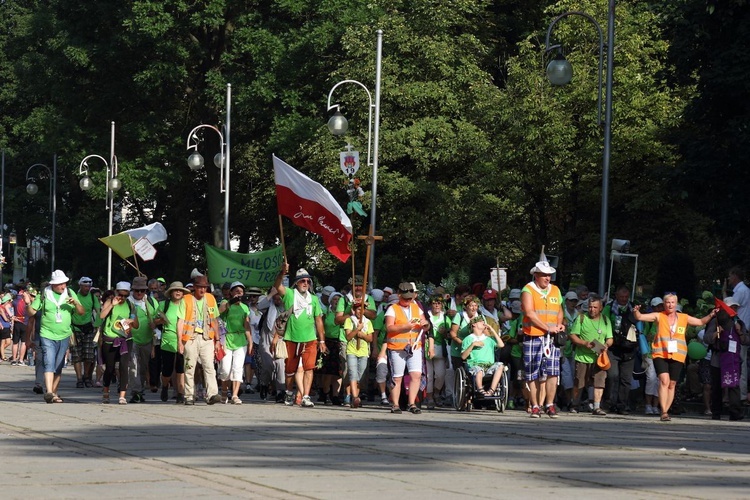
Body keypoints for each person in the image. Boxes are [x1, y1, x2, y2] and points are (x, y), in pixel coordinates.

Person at [633, 292, 716, 421]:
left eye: (672, 302)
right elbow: (640, 317)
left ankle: (666, 409)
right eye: (667, 302)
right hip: (660, 352)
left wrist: (711, 315)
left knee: (672, 383)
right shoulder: (659, 316)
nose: (670, 305)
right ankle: (664, 411)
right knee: (664, 380)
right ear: (664, 304)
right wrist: (636, 312)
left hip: (677, 354)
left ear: (676, 304)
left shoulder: (683, 317)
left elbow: (700, 321)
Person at [272, 264, 327, 408]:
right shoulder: (290, 294)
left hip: (310, 338)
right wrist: (282, 272)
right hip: (292, 337)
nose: (306, 284)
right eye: (303, 281)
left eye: (308, 281)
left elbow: (318, 320)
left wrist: (321, 340)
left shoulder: (314, 299)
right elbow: (277, 285)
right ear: (297, 282)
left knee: (309, 368)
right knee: (290, 370)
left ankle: (306, 396)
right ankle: (289, 392)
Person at [27, 271, 86, 403]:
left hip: (64, 334)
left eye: (65, 283)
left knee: (58, 365)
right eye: (60, 284)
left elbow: (82, 312)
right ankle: (48, 392)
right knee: (49, 362)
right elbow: (31, 312)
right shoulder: (44, 294)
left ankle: (54, 393)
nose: (63, 286)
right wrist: (28, 305)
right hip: (47, 334)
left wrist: (75, 303)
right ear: (53, 284)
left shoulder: (70, 293)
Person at [521, 260, 564, 418]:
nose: (548, 278)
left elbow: (560, 310)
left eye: (549, 275)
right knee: (532, 372)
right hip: (533, 335)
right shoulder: (528, 290)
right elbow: (530, 313)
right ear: (536, 275)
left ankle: (550, 404)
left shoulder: (556, 290)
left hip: (552, 337)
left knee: (553, 371)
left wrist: (559, 325)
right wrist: (547, 327)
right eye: (544, 275)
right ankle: (535, 406)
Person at [382, 282, 431, 414]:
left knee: (416, 375)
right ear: (399, 295)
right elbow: (389, 327)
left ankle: (412, 403)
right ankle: (396, 404)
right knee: (397, 377)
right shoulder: (393, 308)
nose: (408, 301)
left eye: (410, 298)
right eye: (406, 298)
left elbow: (425, 323)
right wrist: (405, 326)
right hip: (397, 347)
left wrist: (425, 324)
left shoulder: (416, 308)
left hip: (414, 346)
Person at [178, 274, 222, 406]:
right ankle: (189, 395)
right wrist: (180, 341)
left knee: (209, 367)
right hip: (190, 338)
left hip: (206, 337)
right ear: (194, 288)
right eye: (200, 287)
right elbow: (180, 321)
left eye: (205, 287)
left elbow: (214, 320)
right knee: (190, 367)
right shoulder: (186, 299)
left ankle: (212, 395)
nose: (203, 290)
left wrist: (218, 340)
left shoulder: (210, 298)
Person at [704, 300, 750, 420]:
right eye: (732, 307)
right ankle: (716, 412)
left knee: (734, 386)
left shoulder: (739, 322)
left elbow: (746, 341)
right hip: (718, 358)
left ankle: (735, 412)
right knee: (717, 386)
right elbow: (707, 338)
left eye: (736, 308)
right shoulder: (716, 321)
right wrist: (716, 334)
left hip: (734, 359)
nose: (734, 310)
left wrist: (739, 332)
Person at [569, 294, 613, 415]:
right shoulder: (581, 318)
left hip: (599, 357)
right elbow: (572, 335)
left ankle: (597, 406)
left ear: (600, 308)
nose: (592, 310)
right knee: (579, 382)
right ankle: (575, 404)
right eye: (590, 307)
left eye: (595, 307)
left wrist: (606, 345)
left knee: (599, 382)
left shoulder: (605, 320)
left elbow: (610, 338)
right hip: (583, 356)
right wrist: (584, 343)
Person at [99, 281, 139, 404]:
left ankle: (122, 395)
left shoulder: (130, 305)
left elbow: (137, 325)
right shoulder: (110, 301)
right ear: (116, 292)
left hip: (125, 339)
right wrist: (112, 304)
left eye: (126, 295)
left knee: (123, 367)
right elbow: (102, 316)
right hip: (110, 339)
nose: (122, 298)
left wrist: (131, 320)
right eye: (120, 295)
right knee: (110, 368)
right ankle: (106, 391)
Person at [603, 285, 640, 415]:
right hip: (614, 347)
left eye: (626, 297)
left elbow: (641, 324)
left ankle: (622, 405)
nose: (624, 299)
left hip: (629, 348)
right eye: (621, 297)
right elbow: (604, 323)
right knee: (613, 376)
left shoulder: (633, 308)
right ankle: (609, 403)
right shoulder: (609, 308)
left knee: (626, 378)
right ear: (616, 296)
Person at [128, 276, 162, 403]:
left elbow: (160, 317)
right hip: (132, 339)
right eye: (137, 291)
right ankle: (136, 391)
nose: (139, 293)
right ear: (132, 290)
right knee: (133, 366)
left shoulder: (152, 302)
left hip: (147, 340)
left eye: (142, 291)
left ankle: (140, 390)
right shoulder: (127, 302)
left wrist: (156, 323)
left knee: (143, 368)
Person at [218, 281, 252, 404]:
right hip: (227, 339)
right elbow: (219, 311)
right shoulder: (225, 304)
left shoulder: (244, 307)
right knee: (226, 369)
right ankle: (224, 392)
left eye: (241, 291)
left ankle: (235, 395)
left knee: (238, 368)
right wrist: (231, 302)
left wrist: (250, 341)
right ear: (231, 292)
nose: (239, 293)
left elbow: (247, 325)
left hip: (240, 340)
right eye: (236, 291)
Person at [461, 316, 506, 397]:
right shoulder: (468, 339)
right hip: (475, 365)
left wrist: (492, 330)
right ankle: (480, 389)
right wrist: (473, 345)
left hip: (489, 366)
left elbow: (501, 345)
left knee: (500, 366)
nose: (483, 322)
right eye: (481, 321)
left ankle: (491, 390)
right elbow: (463, 357)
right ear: (474, 324)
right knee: (479, 370)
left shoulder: (489, 339)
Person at [724, 267, 750, 404]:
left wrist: (723, 294)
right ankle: (740, 393)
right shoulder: (745, 290)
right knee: (741, 362)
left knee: (737, 362)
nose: (728, 279)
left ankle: (738, 394)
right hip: (743, 330)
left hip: (738, 331)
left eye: (729, 276)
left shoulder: (740, 291)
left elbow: (729, 309)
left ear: (735, 276)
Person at [159, 281, 187, 403]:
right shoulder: (164, 305)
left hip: (184, 340)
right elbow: (154, 321)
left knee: (181, 368)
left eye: (180, 290)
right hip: (167, 340)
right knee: (167, 369)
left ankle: (180, 393)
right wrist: (161, 320)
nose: (178, 292)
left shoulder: (186, 305)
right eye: (175, 290)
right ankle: (165, 386)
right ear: (170, 293)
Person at [69, 277, 100, 387]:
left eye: (89, 286)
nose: (87, 288)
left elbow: (98, 311)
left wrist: (97, 325)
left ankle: (86, 376)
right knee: (76, 355)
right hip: (75, 328)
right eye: (85, 286)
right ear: (80, 286)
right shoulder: (74, 296)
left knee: (89, 355)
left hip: (88, 328)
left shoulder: (92, 297)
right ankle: (79, 378)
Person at [344, 301, 373, 409]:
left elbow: (370, 338)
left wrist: (363, 335)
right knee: (352, 373)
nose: (360, 312)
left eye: (362, 309)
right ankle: (355, 397)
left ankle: (357, 395)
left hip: (363, 351)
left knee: (360, 376)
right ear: (354, 310)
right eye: (358, 309)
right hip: (352, 350)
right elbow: (348, 337)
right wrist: (357, 330)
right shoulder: (349, 320)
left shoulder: (368, 322)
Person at [425, 295, 450, 409]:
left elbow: (450, 335)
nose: (436, 305)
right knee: (429, 375)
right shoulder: (426, 315)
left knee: (440, 375)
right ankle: (430, 398)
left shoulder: (445, 318)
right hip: (426, 348)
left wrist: (445, 332)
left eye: (439, 303)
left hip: (440, 348)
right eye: (434, 303)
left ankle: (436, 393)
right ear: (431, 304)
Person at [641, 297, 663, 415]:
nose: (659, 308)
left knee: (660, 380)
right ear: (652, 308)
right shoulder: (648, 320)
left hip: (662, 354)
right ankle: (648, 405)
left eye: (660, 306)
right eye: (656, 306)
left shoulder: (665, 319)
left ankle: (656, 405)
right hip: (650, 353)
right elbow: (644, 336)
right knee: (651, 378)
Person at [10, 286, 31, 366]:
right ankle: (21, 360)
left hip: (17, 322)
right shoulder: (26, 302)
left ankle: (14, 359)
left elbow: (8, 307)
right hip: (25, 322)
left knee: (15, 342)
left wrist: (11, 317)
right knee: (23, 342)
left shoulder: (14, 301)